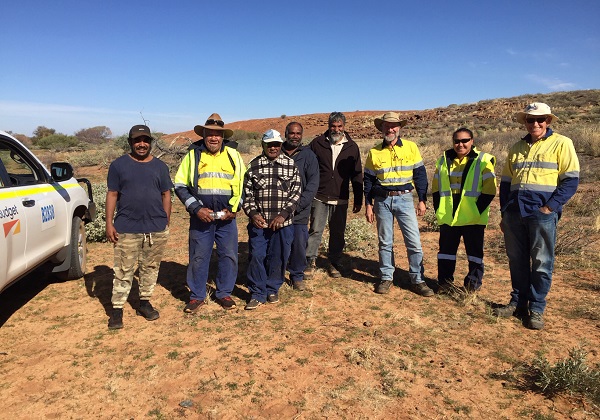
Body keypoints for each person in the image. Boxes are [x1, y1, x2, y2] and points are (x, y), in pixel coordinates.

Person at [495, 102, 580, 330]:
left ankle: (536, 308)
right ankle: (518, 302)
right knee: (517, 261)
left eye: (540, 119)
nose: (535, 123)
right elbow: (505, 184)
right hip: (515, 213)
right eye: (530, 120)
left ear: (548, 121)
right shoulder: (516, 147)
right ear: (524, 122)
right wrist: (504, 213)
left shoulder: (562, 143)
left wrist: (549, 208)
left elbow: (571, 180)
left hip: (541, 214)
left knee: (542, 262)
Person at [174, 113, 246, 312]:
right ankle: (197, 296)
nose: (213, 138)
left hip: (226, 218)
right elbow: (180, 185)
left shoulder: (233, 155)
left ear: (223, 136)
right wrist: (196, 209)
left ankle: (224, 293)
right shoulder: (193, 155)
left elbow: (243, 185)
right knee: (198, 256)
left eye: (217, 134)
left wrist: (234, 208)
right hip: (201, 218)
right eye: (210, 134)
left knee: (229, 255)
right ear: (203, 134)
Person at [106, 124, 173, 329]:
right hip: (127, 227)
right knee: (123, 270)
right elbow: (112, 194)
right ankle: (117, 310)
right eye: (137, 141)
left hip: (155, 227)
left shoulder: (160, 167)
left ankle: (144, 302)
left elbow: (166, 194)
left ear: (150, 142)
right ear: (130, 142)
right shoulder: (118, 165)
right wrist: (109, 223)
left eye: (145, 141)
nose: (142, 144)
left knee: (150, 268)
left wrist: (165, 220)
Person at [364, 112, 433, 297]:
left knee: (414, 242)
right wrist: (368, 204)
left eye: (394, 125)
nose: (390, 129)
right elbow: (368, 181)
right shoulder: (374, 151)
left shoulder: (411, 148)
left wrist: (422, 200)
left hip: (405, 199)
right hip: (382, 201)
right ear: (382, 128)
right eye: (387, 126)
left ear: (399, 128)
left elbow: (420, 175)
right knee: (385, 241)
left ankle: (417, 279)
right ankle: (386, 277)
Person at [243, 129, 302, 310]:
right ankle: (257, 292)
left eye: (276, 144)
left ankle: (272, 288)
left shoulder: (291, 165)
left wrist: (283, 214)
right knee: (257, 255)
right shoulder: (253, 166)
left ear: (281, 145)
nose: (273, 148)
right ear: (263, 145)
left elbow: (296, 193)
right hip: (259, 223)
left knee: (279, 256)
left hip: (283, 223)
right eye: (270, 144)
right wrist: (253, 214)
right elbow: (247, 195)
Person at [432, 128, 497, 293]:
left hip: (472, 216)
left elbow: (490, 190)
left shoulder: (483, 159)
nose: (460, 144)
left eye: (464, 140)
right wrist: (439, 207)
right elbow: (436, 188)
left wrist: (476, 210)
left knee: (474, 254)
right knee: (446, 252)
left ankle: (472, 286)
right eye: (456, 141)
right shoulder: (443, 160)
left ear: (472, 141)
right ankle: (444, 283)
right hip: (449, 215)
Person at [305, 112, 363, 278]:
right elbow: (307, 164)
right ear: (328, 126)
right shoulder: (317, 143)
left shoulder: (352, 147)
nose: (336, 129)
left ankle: (334, 262)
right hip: (319, 196)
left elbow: (357, 174)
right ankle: (310, 261)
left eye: (339, 126)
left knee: (337, 232)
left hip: (341, 198)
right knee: (316, 230)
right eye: (333, 126)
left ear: (344, 127)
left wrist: (358, 199)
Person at [282, 122, 319, 291]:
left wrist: (299, 205)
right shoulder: (276, 151)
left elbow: (313, 183)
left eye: (298, 133)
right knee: (278, 244)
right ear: (286, 133)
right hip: (277, 211)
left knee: (298, 244)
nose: (295, 136)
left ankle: (297, 275)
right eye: (292, 133)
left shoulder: (308, 155)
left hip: (299, 211)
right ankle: (275, 273)